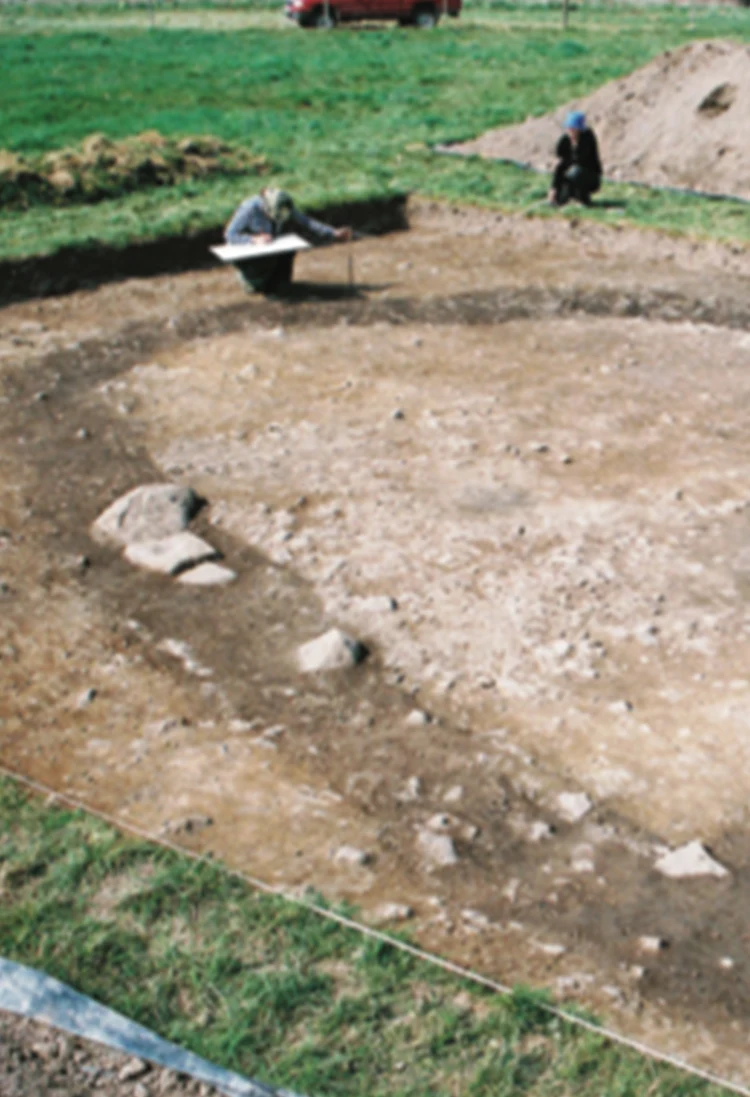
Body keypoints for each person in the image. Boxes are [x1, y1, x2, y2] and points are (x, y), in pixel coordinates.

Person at [224, 186, 352, 294]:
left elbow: (306, 222)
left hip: (269, 246)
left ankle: (280, 284)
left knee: (287, 251)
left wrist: (332, 233)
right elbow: (230, 235)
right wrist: (253, 240)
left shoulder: (283, 206)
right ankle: (250, 279)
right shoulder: (249, 209)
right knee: (256, 284)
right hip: (249, 251)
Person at [549, 111, 602, 208]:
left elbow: (581, 160)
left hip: (589, 175)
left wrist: (575, 146)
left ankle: (583, 200)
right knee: (560, 199)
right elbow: (561, 164)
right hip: (571, 174)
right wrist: (554, 188)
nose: (570, 131)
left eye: (573, 129)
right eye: (569, 128)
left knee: (575, 172)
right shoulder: (566, 140)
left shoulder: (587, 138)